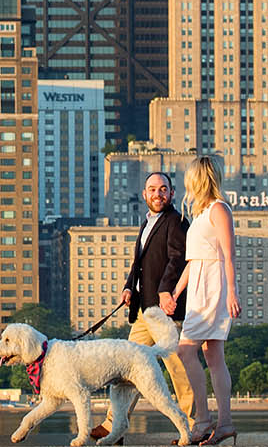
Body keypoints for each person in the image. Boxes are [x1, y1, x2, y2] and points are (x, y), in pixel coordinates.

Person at [89, 171, 193, 442]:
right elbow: (139, 264)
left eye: (163, 189)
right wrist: (128, 287)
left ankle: (193, 425)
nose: (157, 194)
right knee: (127, 367)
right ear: (145, 195)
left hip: (165, 310)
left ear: (172, 193)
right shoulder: (146, 223)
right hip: (144, 311)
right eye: (152, 189)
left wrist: (165, 290)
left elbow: (177, 259)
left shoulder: (177, 221)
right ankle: (115, 425)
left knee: (177, 366)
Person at [176, 154, 240, 445]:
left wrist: (232, 294)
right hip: (199, 286)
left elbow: (228, 255)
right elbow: (193, 262)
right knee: (213, 355)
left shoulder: (219, 209)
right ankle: (223, 424)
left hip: (214, 287)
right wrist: (176, 294)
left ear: (200, 179)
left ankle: (203, 420)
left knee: (186, 351)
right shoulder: (201, 214)